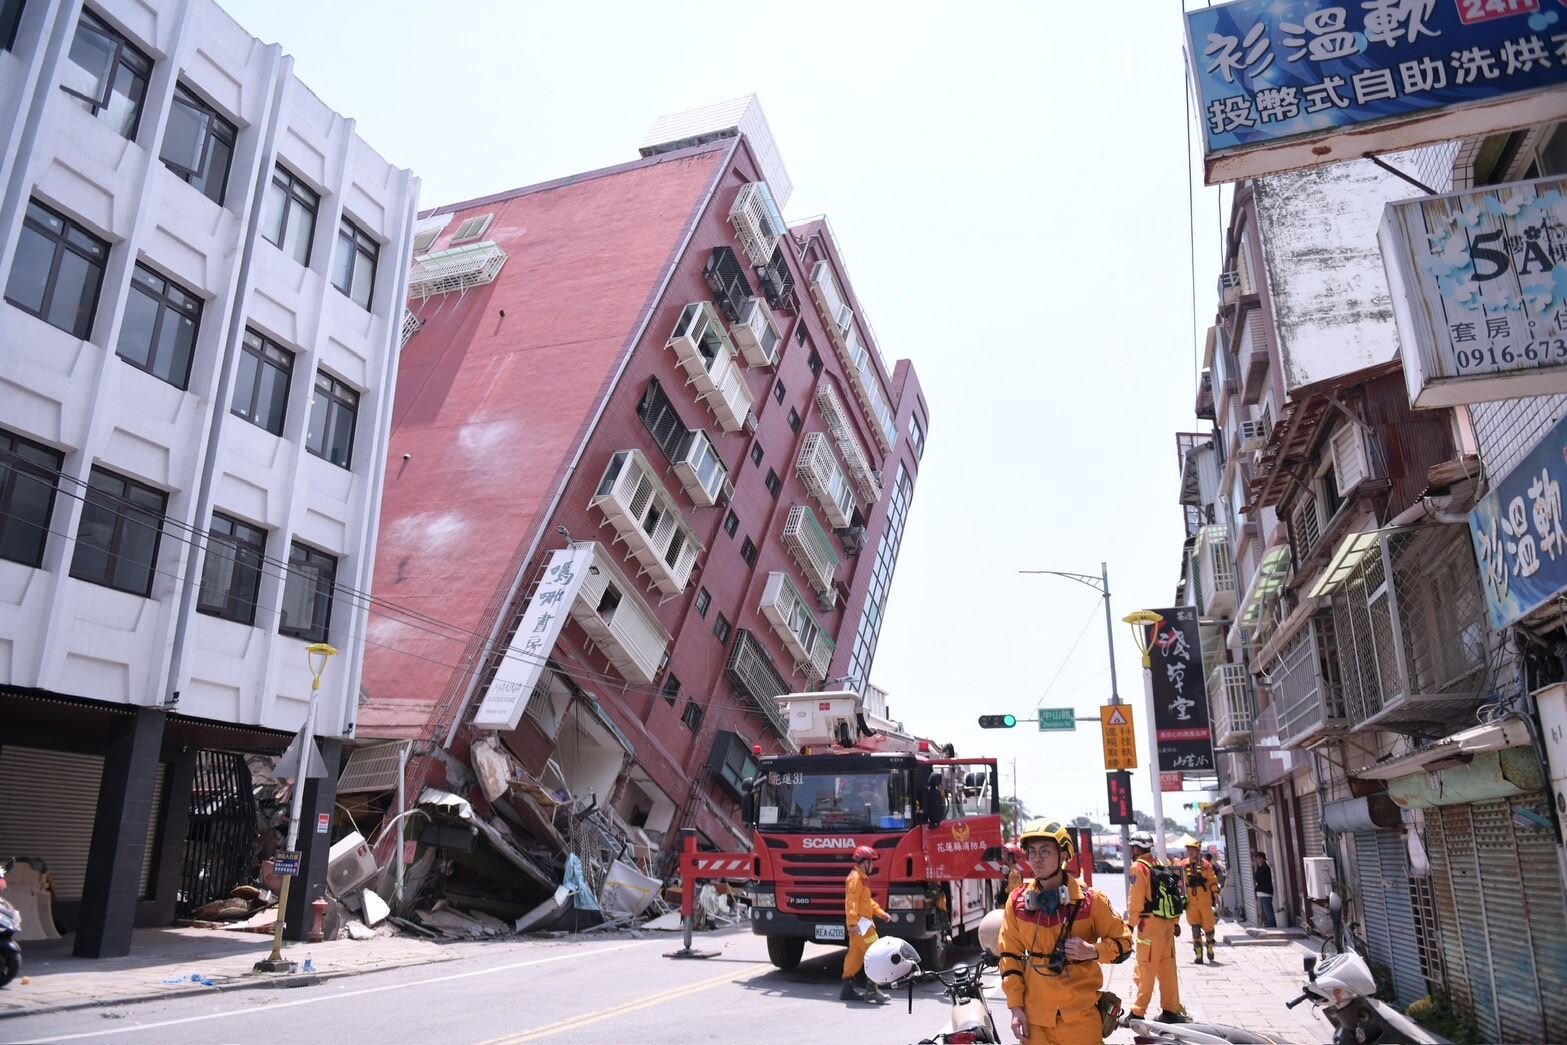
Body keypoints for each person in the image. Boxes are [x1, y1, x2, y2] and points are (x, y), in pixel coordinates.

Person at [997, 818, 1132, 1044]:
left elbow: (1125, 944)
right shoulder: (1017, 901)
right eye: (1032, 852)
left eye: (1045, 851)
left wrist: (1093, 951)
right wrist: (1015, 1007)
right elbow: (1010, 957)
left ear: (1064, 855)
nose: (1037, 859)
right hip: (1035, 1020)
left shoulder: (1091, 901)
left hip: (1081, 1019)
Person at [1125, 832, 1188, 1024]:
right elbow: (1173, 893)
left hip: (1149, 926)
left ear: (1135, 848)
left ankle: (1138, 1011)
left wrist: (1130, 925)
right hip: (1167, 924)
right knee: (1167, 969)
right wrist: (1176, 922)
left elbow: (1135, 901)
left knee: (1146, 969)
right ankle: (1170, 1010)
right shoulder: (1159, 863)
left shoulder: (1138, 868)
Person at [841, 844, 891, 1003]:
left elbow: (866, 901)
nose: (873, 865)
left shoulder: (862, 878)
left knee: (854, 958)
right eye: (871, 862)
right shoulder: (855, 878)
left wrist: (881, 913)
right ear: (864, 862)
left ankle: (846, 990)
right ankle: (872, 991)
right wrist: (852, 924)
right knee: (877, 955)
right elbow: (852, 903)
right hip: (862, 927)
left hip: (860, 926)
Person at [1180, 838, 1219, 964]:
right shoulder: (1182, 865)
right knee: (1195, 927)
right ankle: (1198, 955)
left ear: (1198, 851)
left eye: (1193, 850)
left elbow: (1213, 880)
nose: (1190, 852)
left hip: (1205, 900)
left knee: (1209, 928)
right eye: (1188, 850)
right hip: (1191, 901)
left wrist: (1216, 894)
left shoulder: (1206, 865)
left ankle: (1210, 947)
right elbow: (1177, 880)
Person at [1253, 851, 1276, 928]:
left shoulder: (1265, 868)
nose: (1258, 860)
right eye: (1257, 858)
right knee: (1265, 911)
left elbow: (1258, 878)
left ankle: (1272, 925)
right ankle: (1268, 924)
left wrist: (1256, 874)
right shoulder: (1261, 868)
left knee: (1268, 910)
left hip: (1265, 892)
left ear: (1263, 859)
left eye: (1259, 858)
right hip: (1262, 892)